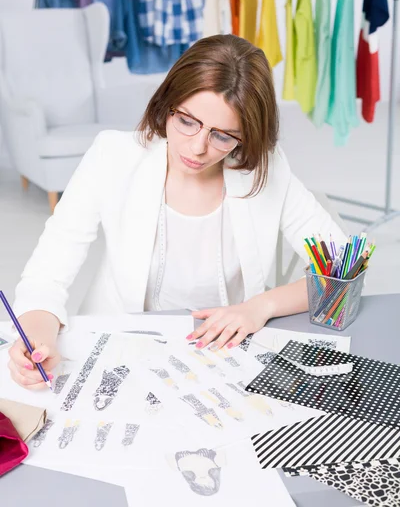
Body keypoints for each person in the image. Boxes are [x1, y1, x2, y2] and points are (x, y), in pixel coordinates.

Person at [8, 34, 346, 390]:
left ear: (247, 137)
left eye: (223, 136)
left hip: (218, 358)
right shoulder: (113, 156)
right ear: (168, 102)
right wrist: (37, 339)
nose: (198, 148)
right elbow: (47, 274)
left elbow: (342, 266)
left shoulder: (265, 169)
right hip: (119, 349)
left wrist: (260, 306)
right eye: (187, 121)